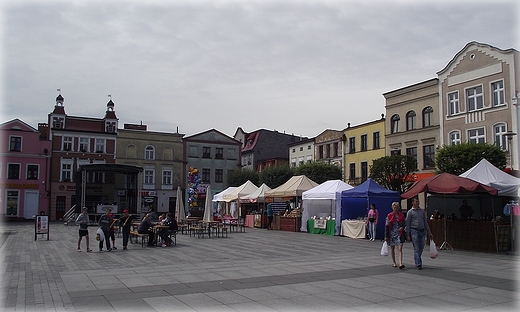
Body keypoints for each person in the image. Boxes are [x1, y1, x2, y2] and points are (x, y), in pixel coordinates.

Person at [405, 198, 434, 270]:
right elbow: (407, 224)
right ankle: (419, 263)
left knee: (421, 247)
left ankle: (416, 258)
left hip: (422, 231)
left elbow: (425, 222)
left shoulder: (422, 212)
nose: (418, 203)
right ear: (413, 203)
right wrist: (408, 234)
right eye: (416, 202)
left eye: (418, 201)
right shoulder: (410, 212)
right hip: (414, 230)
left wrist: (429, 232)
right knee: (416, 248)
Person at [385, 202, 405, 269]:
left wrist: (402, 227)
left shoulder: (401, 215)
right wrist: (386, 236)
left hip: (399, 233)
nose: (395, 209)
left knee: (400, 248)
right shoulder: (389, 215)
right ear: (392, 208)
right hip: (392, 233)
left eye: (396, 208)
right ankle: (394, 262)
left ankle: (400, 263)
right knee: (392, 248)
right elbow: (387, 226)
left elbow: (404, 223)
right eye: (394, 208)